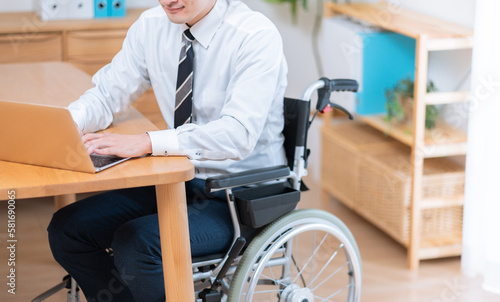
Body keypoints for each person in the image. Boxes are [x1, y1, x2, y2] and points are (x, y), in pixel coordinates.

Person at [47, 0, 288, 301]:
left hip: (240, 196)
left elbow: (238, 134)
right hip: (177, 180)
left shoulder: (254, 36)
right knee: (68, 230)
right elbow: (107, 95)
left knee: (137, 243)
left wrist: (149, 141)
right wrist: (61, 126)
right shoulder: (152, 26)